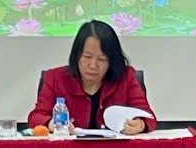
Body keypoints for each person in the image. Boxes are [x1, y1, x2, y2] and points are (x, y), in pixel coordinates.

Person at [28, 20, 156, 134]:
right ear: (77, 55)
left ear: (111, 60)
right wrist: (53, 124)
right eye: (87, 57)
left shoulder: (126, 77)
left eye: (102, 59)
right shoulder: (55, 78)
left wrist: (140, 124)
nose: (93, 65)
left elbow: (148, 116)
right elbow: (36, 117)